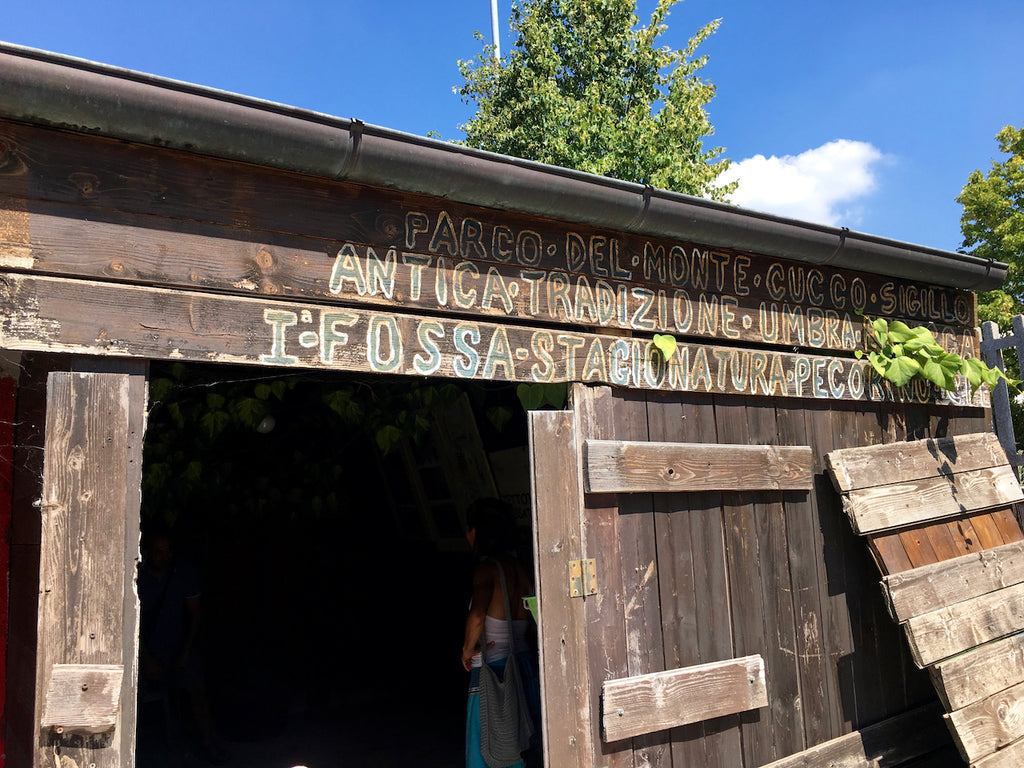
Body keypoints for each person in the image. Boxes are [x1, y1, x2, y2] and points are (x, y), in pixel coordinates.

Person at [138, 528, 229, 765]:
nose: (164, 556)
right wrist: (146, 660)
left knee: (197, 690)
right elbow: (128, 624)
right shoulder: (136, 578)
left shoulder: (183, 575)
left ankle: (208, 744)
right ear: (147, 553)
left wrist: (185, 651)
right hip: (145, 651)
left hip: (178, 648)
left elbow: (195, 615)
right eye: (158, 551)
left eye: (168, 551)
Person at [462, 498, 540, 768]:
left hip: (493, 669)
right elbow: (532, 619)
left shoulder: (486, 570)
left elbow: (477, 615)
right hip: (523, 666)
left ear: (477, 532)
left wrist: (466, 648)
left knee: (488, 750)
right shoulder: (521, 570)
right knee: (522, 745)